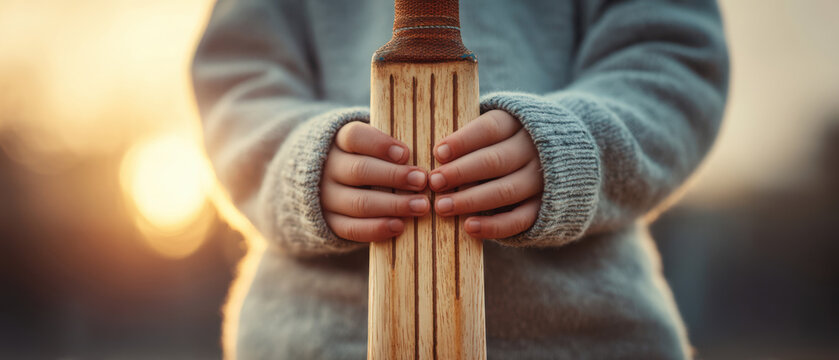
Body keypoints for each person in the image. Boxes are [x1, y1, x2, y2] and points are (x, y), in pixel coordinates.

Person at [191, 0, 729, 358]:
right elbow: (236, 82)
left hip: (583, 335)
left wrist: (572, 146)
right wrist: (301, 167)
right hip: (314, 338)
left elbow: (672, 59)